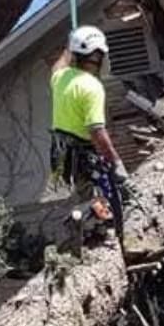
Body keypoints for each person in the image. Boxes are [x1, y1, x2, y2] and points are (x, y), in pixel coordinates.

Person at [50, 25, 130, 233]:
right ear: (98, 55)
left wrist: (69, 46)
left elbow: (57, 67)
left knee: (87, 193)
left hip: (64, 156)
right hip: (85, 156)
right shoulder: (92, 87)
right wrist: (115, 161)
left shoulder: (60, 78)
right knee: (108, 201)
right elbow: (96, 131)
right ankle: (91, 222)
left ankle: (91, 225)